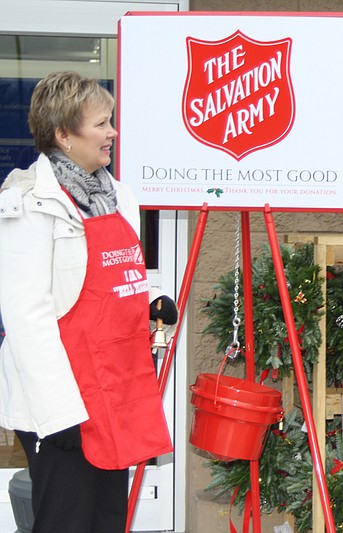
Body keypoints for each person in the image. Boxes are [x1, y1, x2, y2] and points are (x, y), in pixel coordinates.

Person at [0, 71, 178, 533]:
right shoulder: (29, 202)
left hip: (113, 389)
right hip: (63, 401)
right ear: (62, 134)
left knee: (106, 519)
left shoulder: (117, 195)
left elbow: (117, 273)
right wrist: (61, 416)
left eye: (111, 122)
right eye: (101, 124)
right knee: (67, 520)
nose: (112, 133)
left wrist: (151, 298)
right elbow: (27, 316)